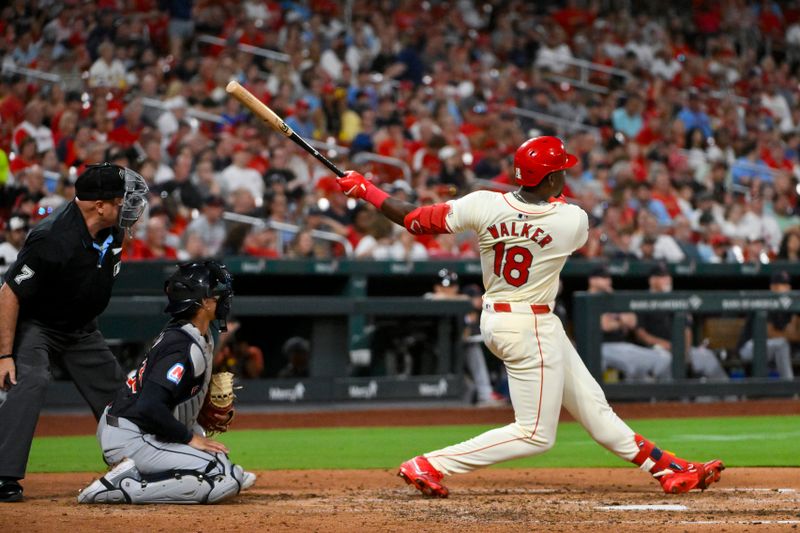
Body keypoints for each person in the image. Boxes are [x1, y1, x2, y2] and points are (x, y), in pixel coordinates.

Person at [337, 135, 724, 498]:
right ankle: (429, 464)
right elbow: (554, 211)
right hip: (528, 325)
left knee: (594, 407)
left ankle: (667, 468)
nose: (566, 176)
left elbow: (414, 220)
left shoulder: (484, 203)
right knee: (536, 434)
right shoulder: (571, 220)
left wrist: (366, 190)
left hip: (506, 318)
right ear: (551, 177)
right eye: (561, 171)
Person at [0, 163, 149, 503]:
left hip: (82, 329)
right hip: (38, 325)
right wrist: (4, 355)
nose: (128, 205)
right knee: (31, 379)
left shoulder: (113, 230)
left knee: (119, 397)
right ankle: (3, 475)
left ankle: (140, 463)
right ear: (99, 205)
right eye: (120, 199)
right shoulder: (52, 237)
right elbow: (8, 293)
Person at [77, 260, 255, 504]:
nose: (223, 298)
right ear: (203, 302)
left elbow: (166, 397)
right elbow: (150, 406)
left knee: (223, 464)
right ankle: (122, 486)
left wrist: (196, 413)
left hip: (139, 430)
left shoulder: (190, 333)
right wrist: (189, 437)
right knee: (223, 478)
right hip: (132, 437)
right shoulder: (182, 346)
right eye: (217, 294)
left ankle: (139, 475)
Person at [634, 263, 729, 380]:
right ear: (652, 280)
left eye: (668, 276)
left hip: (680, 349)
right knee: (666, 361)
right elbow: (641, 334)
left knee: (706, 356)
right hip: (656, 350)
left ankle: (729, 396)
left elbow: (687, 329)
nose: (668, 279)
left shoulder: (676, 299)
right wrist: (665, 344)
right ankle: (674, 397)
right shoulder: (641, 299)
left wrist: (685, 350)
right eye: (662, 277)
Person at [588, 265, 672, 382]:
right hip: (599, 347)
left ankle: (666, 398)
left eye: (608, 277)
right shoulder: (586, 298)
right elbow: (605, 325)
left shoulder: (611, 297)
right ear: (592, 280)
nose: (607, 280)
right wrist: (621, 320)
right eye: (602, 277)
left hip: (622, 346)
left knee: (664, 358)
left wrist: (615, 319)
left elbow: (632, 321)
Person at [736, 270, 797, 380]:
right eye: (782, 285)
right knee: (782, 344)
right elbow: (769, 333)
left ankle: (787, 388)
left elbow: (795, 333)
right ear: (773, 287)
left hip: (770, 348)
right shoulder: (765, 301)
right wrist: (790, 335)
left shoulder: (787, 306)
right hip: (749, 347)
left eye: (788, 285)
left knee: (783, 344)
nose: (786, 288)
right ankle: (789, 386)